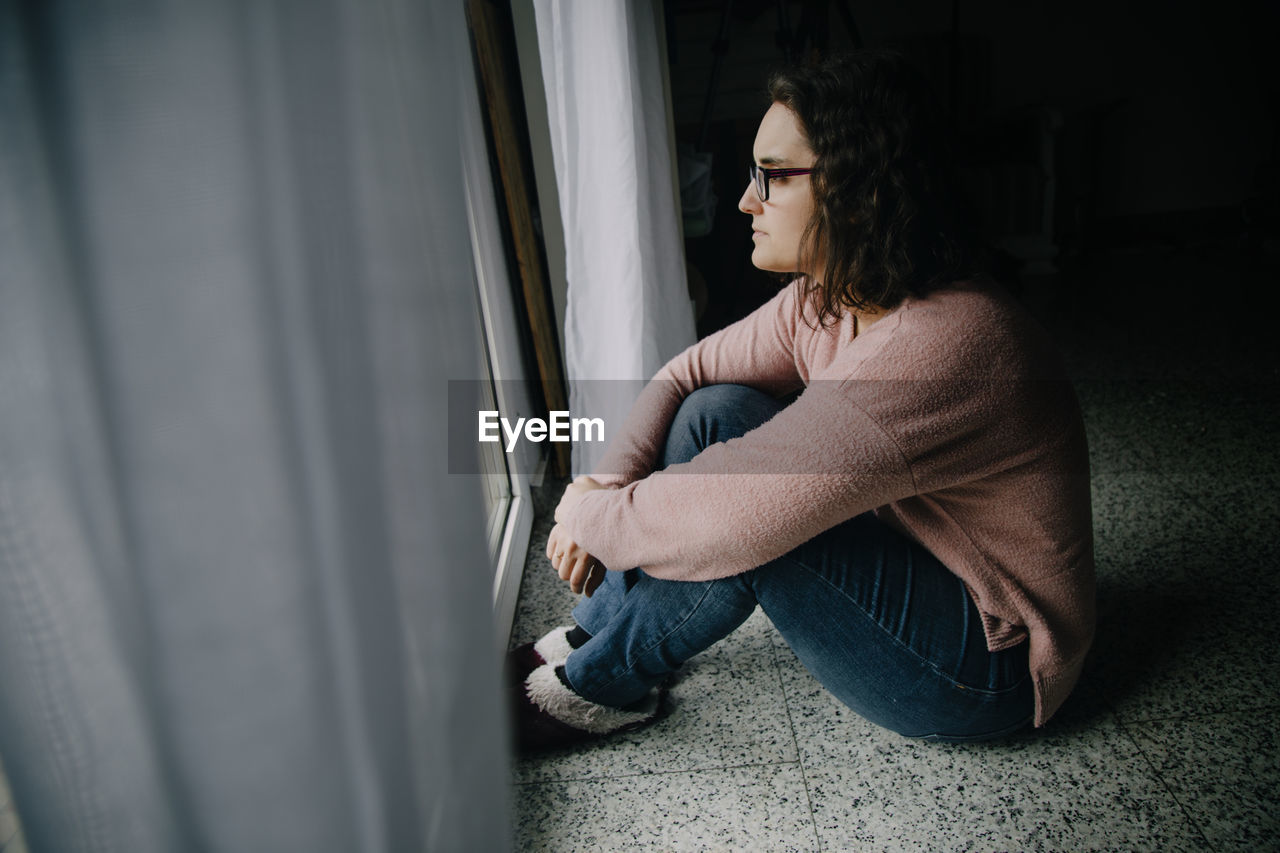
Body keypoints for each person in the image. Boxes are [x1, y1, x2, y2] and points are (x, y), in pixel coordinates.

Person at [509, 50, 1095, 751]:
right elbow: (682, 375)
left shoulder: (941, 346)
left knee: (752, 524)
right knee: (714, 410)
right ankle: (594, 626)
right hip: (921, 559)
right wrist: (603, 486)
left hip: (993, 660)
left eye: (772, 176)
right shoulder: (832, 298)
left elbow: (737, 514)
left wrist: (584, 513)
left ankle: (598, 686)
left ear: (858, 189)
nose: (745, 200)